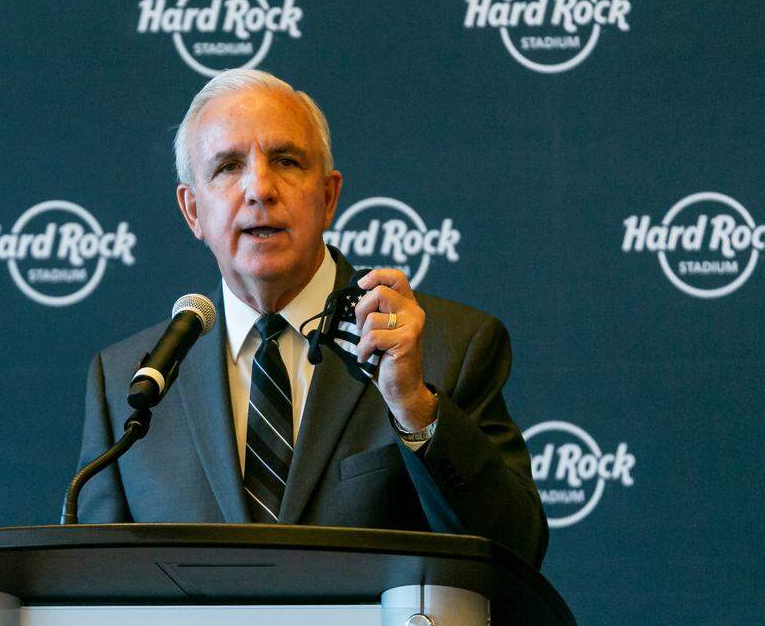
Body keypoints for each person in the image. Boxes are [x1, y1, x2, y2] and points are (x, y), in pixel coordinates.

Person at [76, 69, 547, 568]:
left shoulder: (449, 348)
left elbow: (516, 554)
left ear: (328, 197)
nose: (260, 187)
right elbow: (89, 585)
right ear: (193, 211)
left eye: (286, 160)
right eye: (229, 166)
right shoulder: (129, 384)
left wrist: (414, 407)